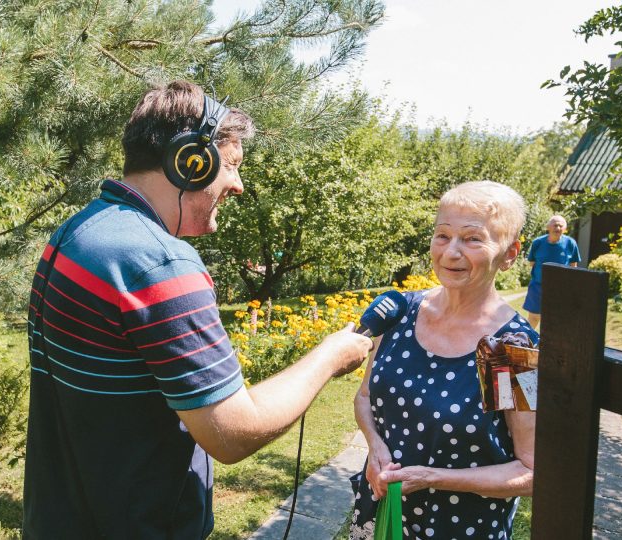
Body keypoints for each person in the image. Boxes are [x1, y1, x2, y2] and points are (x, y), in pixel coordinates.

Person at [22, 81, 372, 538]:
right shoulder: (160, 263)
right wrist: (330, 356)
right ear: (192, 160)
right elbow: (232, 433)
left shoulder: (79, 231)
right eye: (232, 166)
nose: (238, 185)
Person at [349, 181, 539, 540]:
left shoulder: (508, 351)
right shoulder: (401, 314)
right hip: (379, 515)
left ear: (510, 253)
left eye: (472, 239)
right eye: (443, 235)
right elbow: (364, 398)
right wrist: (375, 445)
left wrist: (431, 478)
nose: (451, 252)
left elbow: (530, 470)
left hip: (459, 528)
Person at [522, 214, 580, 329]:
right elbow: (532, 263)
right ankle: (528, 342)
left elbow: (573, 265)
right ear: (548, 227)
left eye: (560, 226)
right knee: (534, 317)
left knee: (556, 319)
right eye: (555, 225)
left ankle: (552, 345)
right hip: (538, 287)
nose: (557, 228)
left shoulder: (570, 243)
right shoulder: (538, 243)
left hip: (560, 288)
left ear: (564, 228)